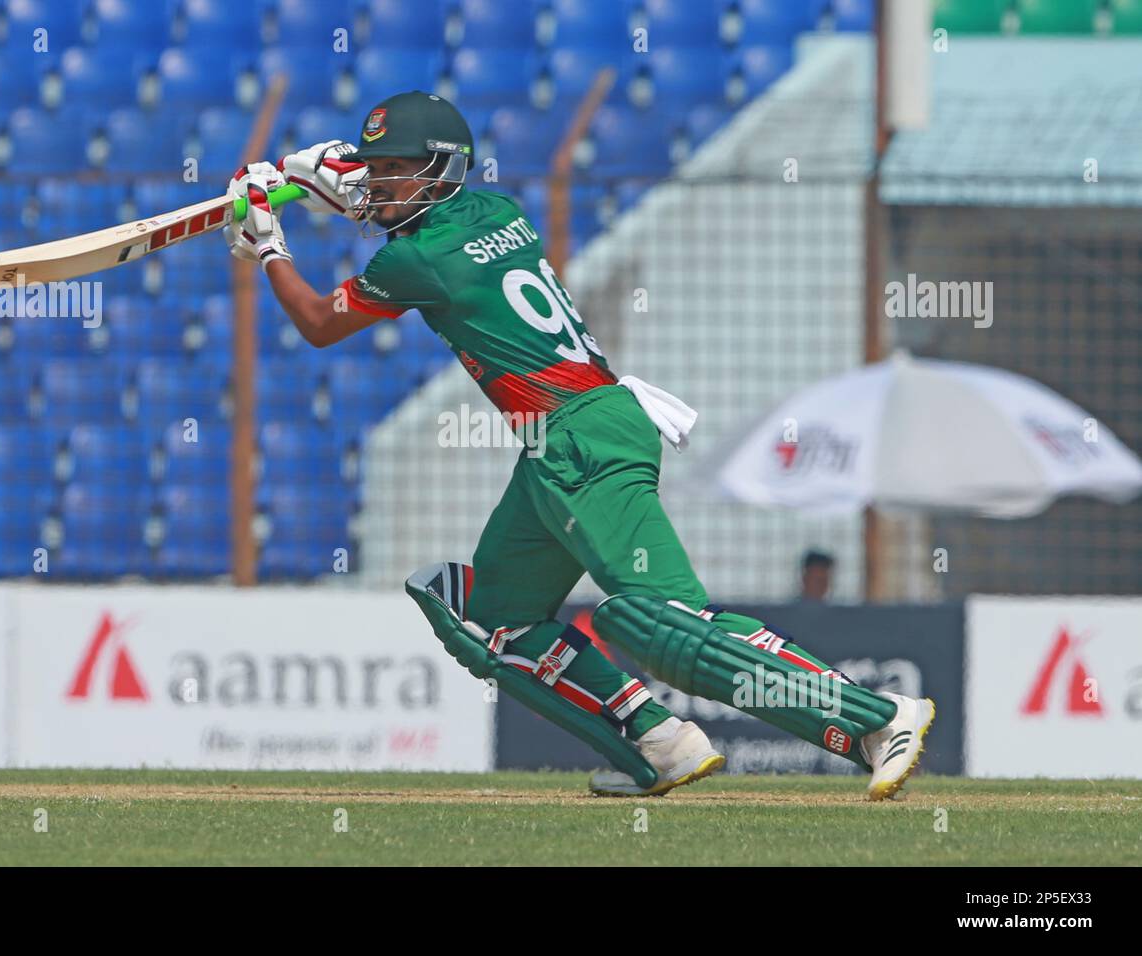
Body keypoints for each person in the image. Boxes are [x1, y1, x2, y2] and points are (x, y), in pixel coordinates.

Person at [224, 91, 933, 799]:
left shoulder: (419, 259)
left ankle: (875, 718)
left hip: (579, 440)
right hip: (564, 445)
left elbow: (320, 321)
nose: (377, 182)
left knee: (661, 622)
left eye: (392, 169)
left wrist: (270, 243)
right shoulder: (497, 212)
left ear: (439, 172)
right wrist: (338, 187)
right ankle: (662, 741)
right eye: (371, 169)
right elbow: (408, 225)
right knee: (494, 618)